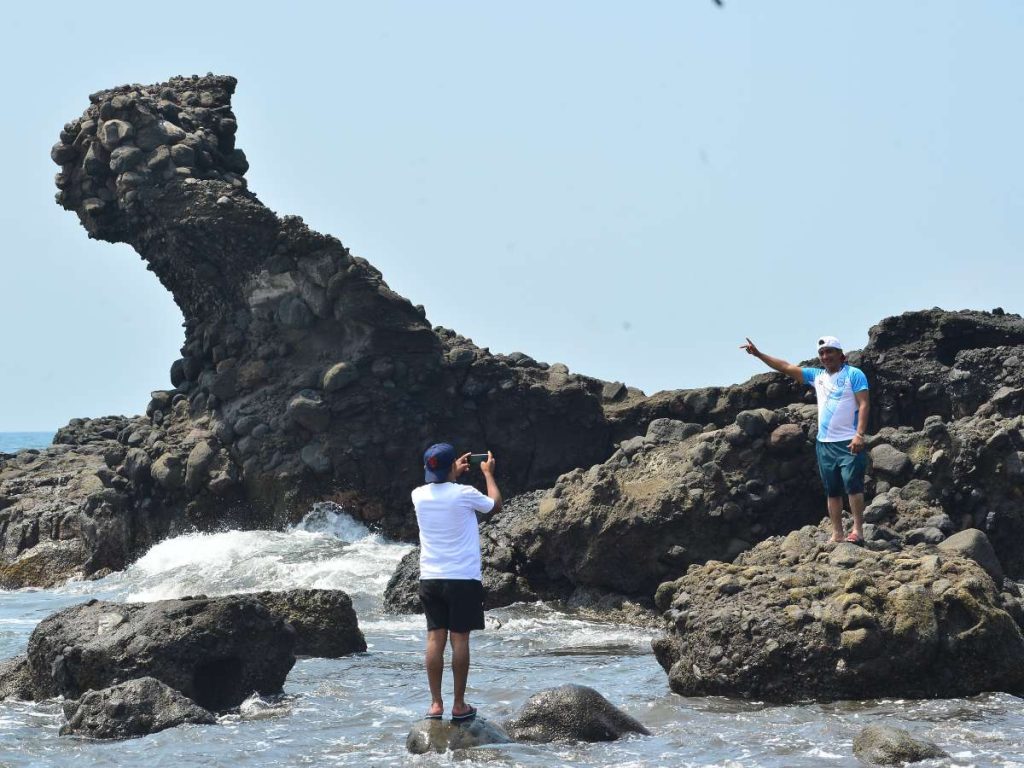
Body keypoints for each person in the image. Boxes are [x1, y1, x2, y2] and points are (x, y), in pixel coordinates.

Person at [741, 335, 870, 544]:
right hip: (825, 443)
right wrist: (758, 354)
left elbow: (864, 404)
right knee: (832, 489)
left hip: (848, 440)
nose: (825, 356)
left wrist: (859, 435)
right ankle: (837, 533)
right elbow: (785, 366)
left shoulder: (854, 374)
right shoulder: (817, 376)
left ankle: (858, 531)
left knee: (853, 485)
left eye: (829, 351)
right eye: (822, 353)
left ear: (840, 354)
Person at [412, 442, 502, 722]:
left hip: (430, 578)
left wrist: (451, 472)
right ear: (454, 465)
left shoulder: (418, 495)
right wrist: (487, 473)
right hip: (462, 578)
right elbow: (494, 505)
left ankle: (435, 704)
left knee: (434, 637)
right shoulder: (465, 494)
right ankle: (459, 705)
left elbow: (442, 488)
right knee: (460, 639)